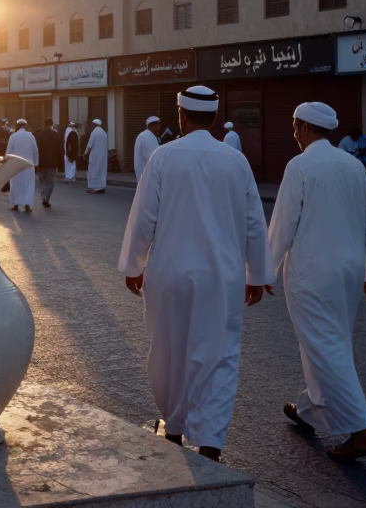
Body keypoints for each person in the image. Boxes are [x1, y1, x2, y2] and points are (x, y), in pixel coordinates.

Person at [117, 86, 271, 463]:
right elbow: (254, 222)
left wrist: (134, 265)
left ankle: (173, 428)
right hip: (223, 277)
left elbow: (143, 219)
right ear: (216, 118)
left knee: (168, 350)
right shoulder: (236, 161)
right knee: (218, 355)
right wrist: (258, 273)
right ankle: (211, 442)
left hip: (169, 273)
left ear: (181, 116)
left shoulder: (163, 156)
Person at [268, 102, 366, 461]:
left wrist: (261, 272)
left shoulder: (300, 165)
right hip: (349, 273)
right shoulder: (353, 166)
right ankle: (309, 410)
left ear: (305, 128)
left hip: (311, 273)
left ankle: (361, 432)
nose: (292, 131)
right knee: (328, 341)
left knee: (327, 346)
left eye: (294, 125)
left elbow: (283, 225)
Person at [6, 119, 40, 213]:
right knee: (28, 185)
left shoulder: (13, 136)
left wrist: (7, 164)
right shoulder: (31, 136)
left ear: (17, 125)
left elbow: (8, 152)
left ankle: (16, 204)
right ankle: (27, 205)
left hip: (16, 165)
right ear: (25, 126)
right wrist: (36, 163)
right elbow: (35, 151)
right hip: (29, 165)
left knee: (16, 184)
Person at [34, 118, 64, 208]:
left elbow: (35, 150)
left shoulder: (38, 135)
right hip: (52, 162)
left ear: (44, 124)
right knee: (50, 181)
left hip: (41, 162)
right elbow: (60, 150)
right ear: (52, 124)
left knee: (41, 180)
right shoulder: (57, 135)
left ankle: (43, 196)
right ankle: (46, 199)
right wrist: (61, 164)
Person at [84, 119, 108, 194]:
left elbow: (89, 145)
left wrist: (85, 153)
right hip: (103, 156)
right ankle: (101, 187)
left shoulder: (94, 132)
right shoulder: (104, 133)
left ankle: (95, 188)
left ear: (95, 124)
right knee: (101, 171)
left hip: (95, 156)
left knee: (93, 171)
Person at [134, 116, 161, 181]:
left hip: (141, 170)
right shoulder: (149, 137)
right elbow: (153, 156)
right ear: (151, 126)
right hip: (148, 173)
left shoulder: (142, 135)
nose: (158, 127)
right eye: (156, 125)